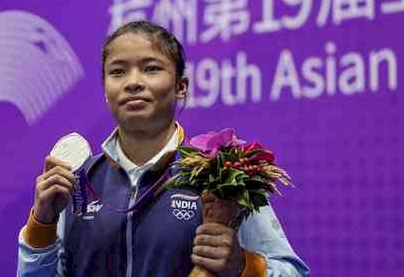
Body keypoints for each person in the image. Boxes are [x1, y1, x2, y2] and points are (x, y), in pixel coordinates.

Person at [17, 21, 309, 277]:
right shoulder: (78, 182)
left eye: (151, 68)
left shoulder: (221, 175)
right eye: (118, 72)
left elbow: (292, 272)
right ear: (105, 90)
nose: (133, 82)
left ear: (181, 86)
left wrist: (243, 266)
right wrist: (42, 224)